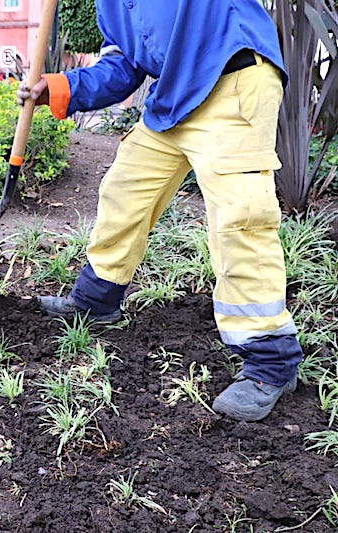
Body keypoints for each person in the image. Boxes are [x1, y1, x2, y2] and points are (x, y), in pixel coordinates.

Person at [17, 1, 302, 422]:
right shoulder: (111, 7)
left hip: (234, 80)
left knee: (239, 218)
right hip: (173, 100)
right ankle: (97, 300)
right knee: (125, 190)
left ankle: (270, 361)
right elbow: (123, 66)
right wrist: (59, 88)